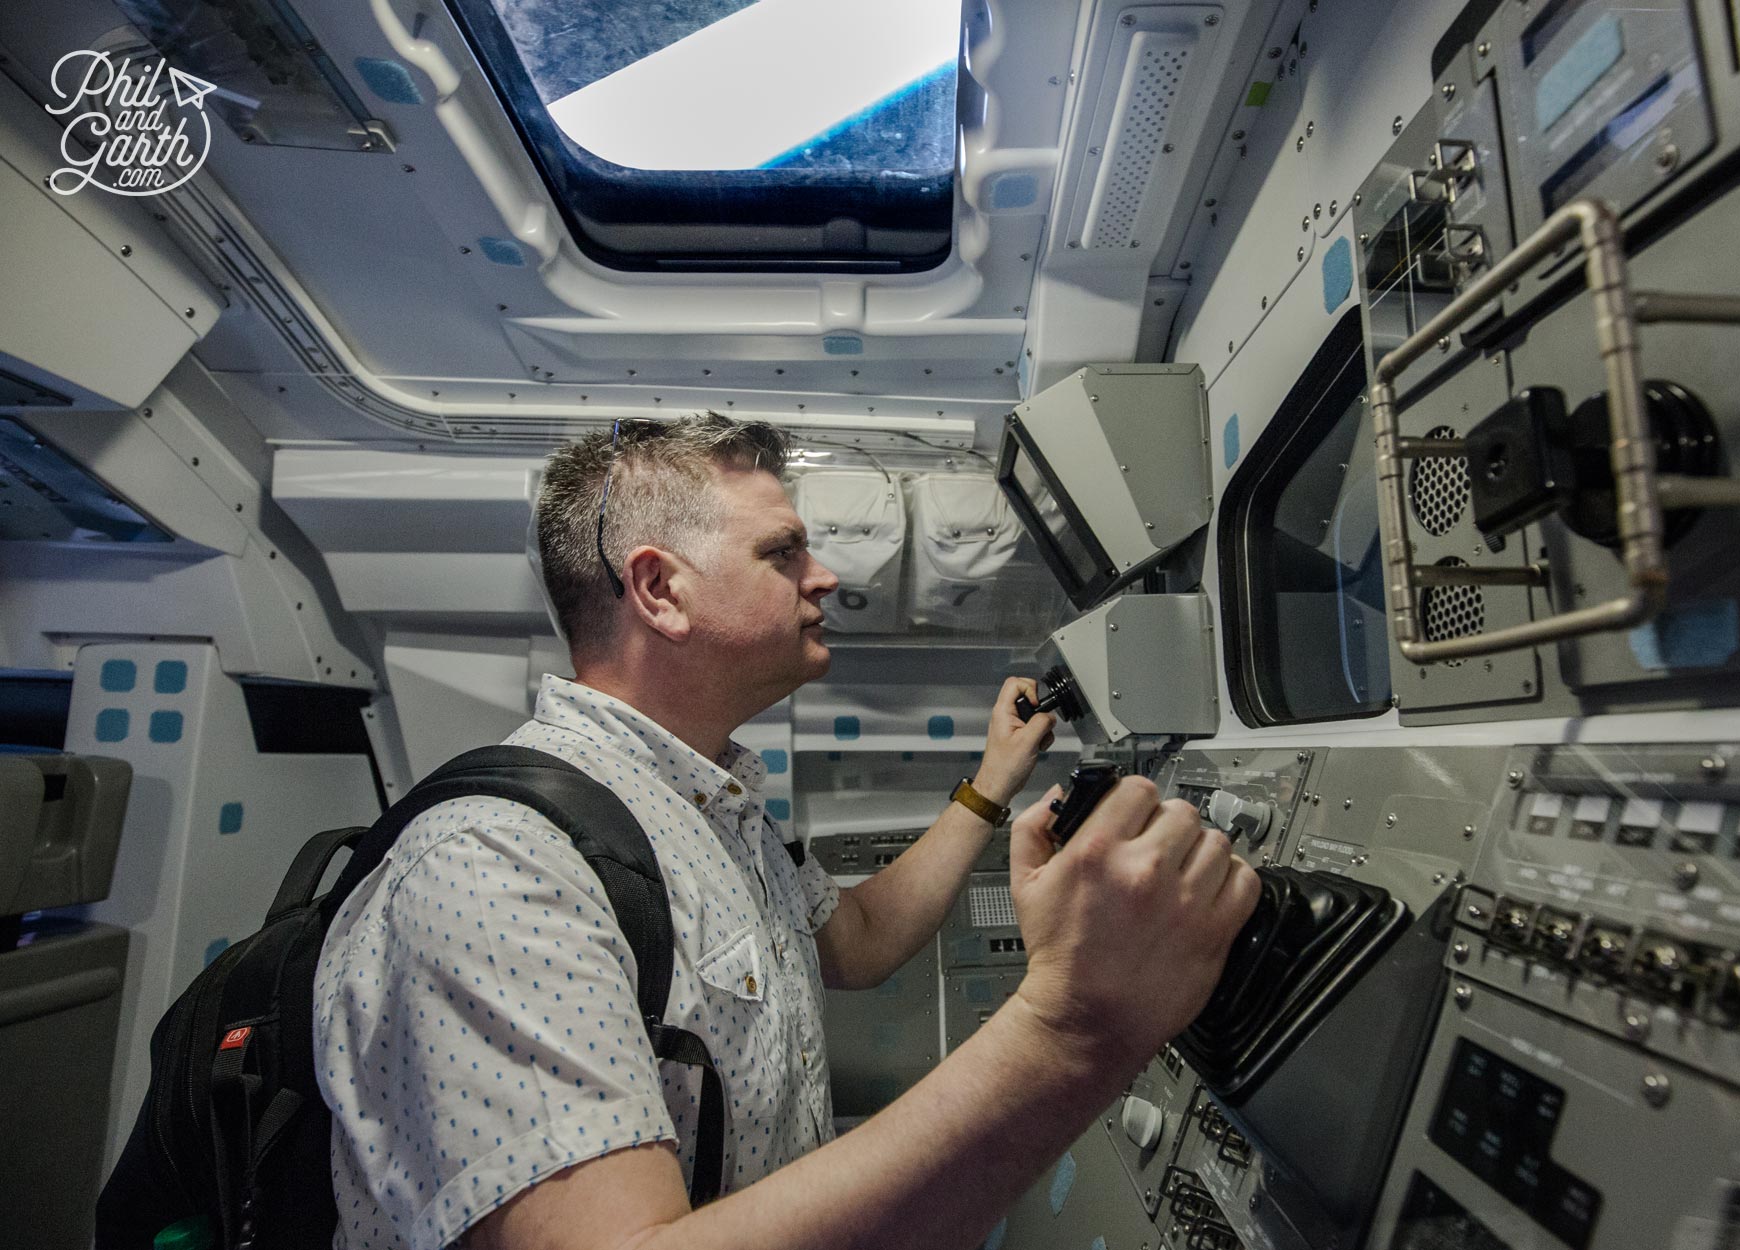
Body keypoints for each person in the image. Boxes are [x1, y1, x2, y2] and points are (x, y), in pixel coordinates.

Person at [313, 412, 1260, 1250]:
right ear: (660, 590)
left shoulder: (712, 807)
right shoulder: (498, 864)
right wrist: (1073, 1025)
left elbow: (856, 942)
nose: (826, 575)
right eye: (782, 553)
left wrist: (991, 783)